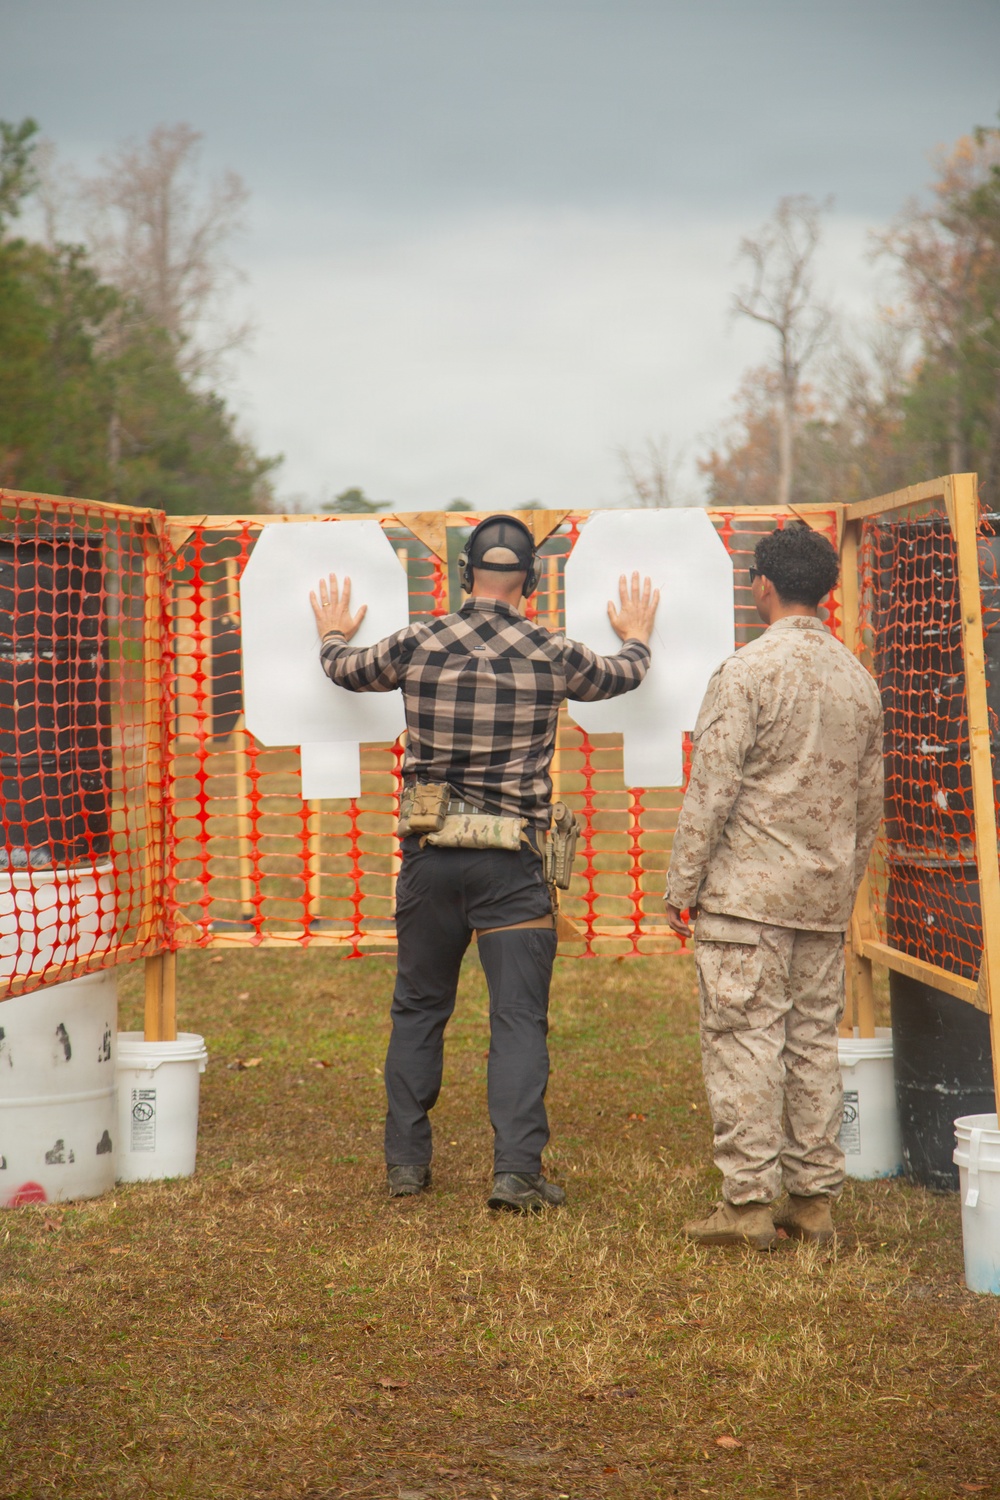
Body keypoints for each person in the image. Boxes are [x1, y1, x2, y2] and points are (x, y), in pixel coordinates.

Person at [310, 514, 660, 1212]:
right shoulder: (552, 652)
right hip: (513, 864)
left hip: (430, 858)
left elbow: (344, 670)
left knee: (418, 1009)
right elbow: (625, 675)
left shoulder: (418, 640)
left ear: (465, 575)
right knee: (518, 1020)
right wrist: (639, 633)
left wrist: (331, 629)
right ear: (529, 583)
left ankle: (407, 1165)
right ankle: (516, 1175)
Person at [664, 523, 883, 1250]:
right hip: (821, 899)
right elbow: (869, 805)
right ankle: (814, 1200)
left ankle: (749, 1205)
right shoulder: (859, 680)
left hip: (745, 899)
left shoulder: (747, 673)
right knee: (813, 1042)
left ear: (761, 584)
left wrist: (681, 884)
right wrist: (840, 884)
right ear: (823, 591)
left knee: (744, 1041)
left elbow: (711, 790)